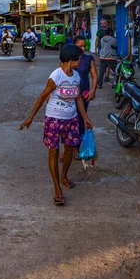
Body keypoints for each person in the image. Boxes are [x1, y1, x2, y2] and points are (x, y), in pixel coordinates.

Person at [20, 44, 93, 206]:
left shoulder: (76, 76)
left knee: (68, 149)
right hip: (54, 118)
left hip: (72, 119)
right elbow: (42, 97)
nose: (81, 60)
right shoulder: (56, 76)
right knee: (53, 152)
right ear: (70, 59)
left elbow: (79, 98)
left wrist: (85, 118)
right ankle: (57, 188)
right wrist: (30, 117)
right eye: (79, 58)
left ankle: (64, 176)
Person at [60, 35, 98, 162]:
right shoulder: (69, 58)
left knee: (81, 121)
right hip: (69, 95)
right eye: (80, 46)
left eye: (84, 46)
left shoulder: (89, 59)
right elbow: (61, 75)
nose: (83, 48)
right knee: (68, 121)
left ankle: (76, 148)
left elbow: (94, 76)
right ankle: (66, 149)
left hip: (84, 95)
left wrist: (93, 91)